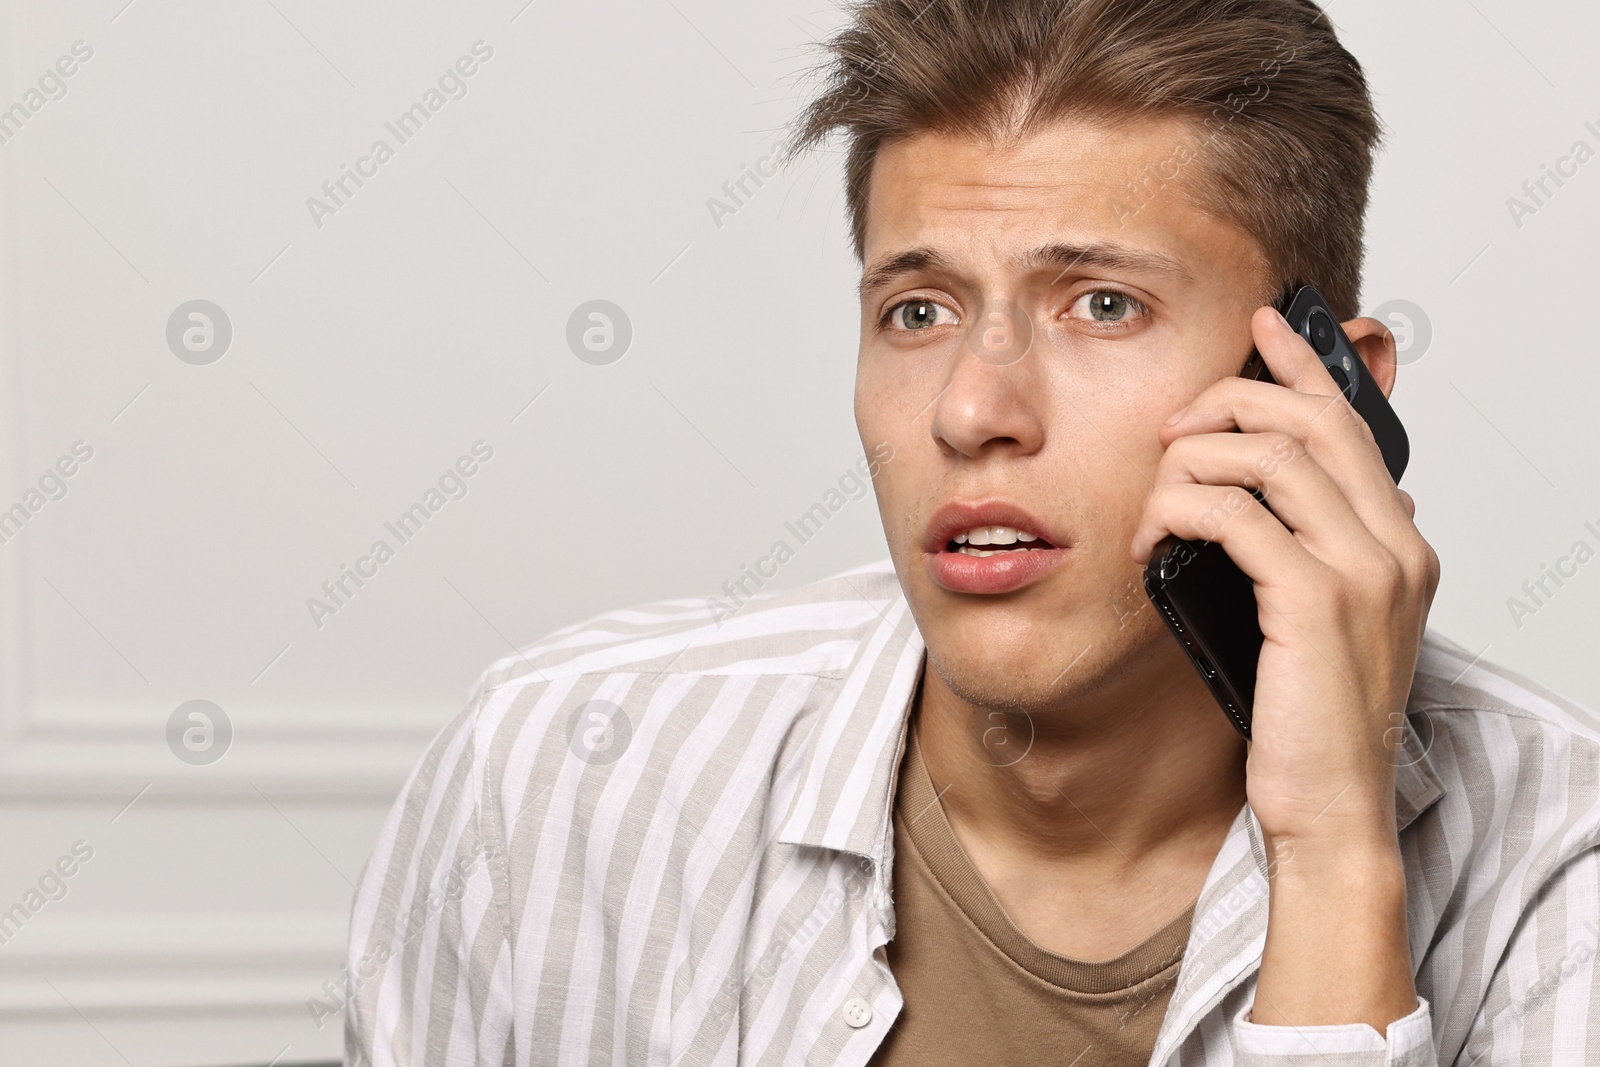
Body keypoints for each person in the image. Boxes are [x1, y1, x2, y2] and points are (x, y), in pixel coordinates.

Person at [345, 1, 1600, 1063]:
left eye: (1100, 304)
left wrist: (1335, 854)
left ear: (1329, 397)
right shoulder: (564, 768)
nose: (970, 408)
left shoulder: (1560, 861)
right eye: (917, 309)